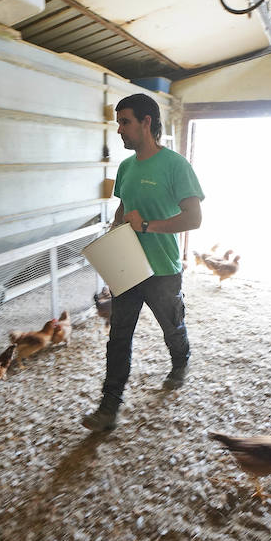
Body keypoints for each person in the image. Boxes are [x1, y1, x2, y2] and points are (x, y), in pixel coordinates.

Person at [82, 93, 204, 432]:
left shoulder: (176, 165)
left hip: (163, 270)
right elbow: (124, 208)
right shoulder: (126, 167)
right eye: (118, 123)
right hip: (129, 266)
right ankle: (109, 407)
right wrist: (114, 233)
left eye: (125, 122)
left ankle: (180, 361)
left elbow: (194, 218)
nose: (119, 129)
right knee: (119, 337)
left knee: (172, 327)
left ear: (146, 122)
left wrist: (148, 226)